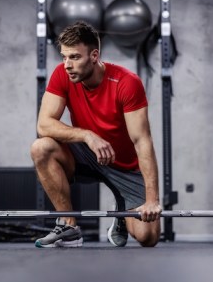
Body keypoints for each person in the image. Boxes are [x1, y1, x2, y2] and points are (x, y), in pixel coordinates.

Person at [30, 21, 162, 248]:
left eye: (74, 57)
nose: (67, 65)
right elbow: (44, 125)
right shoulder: (63, 75)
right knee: (41, 148)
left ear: (94, 55)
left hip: (125, 167)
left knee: (148, 237)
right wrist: (87, 136)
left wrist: (152, 200)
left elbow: (142, 141)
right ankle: (69, 227)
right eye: (64, 57)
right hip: (86, 155)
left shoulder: (126, 83)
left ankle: (122, 208)